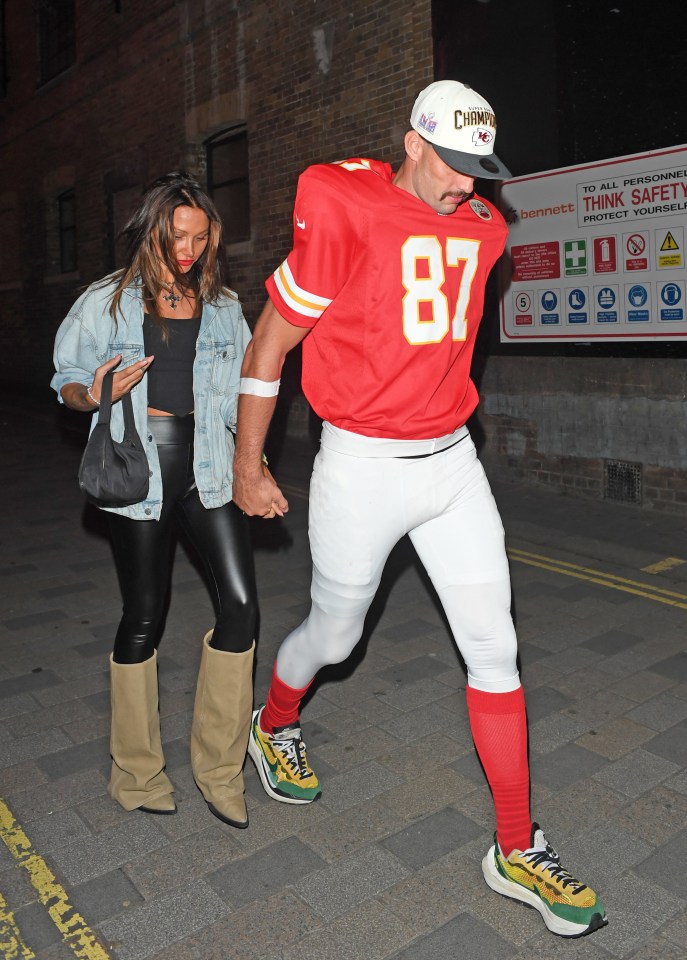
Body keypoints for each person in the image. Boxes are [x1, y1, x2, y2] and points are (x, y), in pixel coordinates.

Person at [232, 81, 608, 936]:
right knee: (336, 634)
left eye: (480, 170)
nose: (465, 186)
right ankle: (275, 720)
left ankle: (516, 847)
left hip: (451, 465)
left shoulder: (485, 230)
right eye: (450, 165)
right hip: (360, 466)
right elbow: (271, 339)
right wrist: (246, 463)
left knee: (494, 647)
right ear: (410, 142)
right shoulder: (339, 200)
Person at [52, 171, 261, 829]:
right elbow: (66, 383)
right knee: (144, 613)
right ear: (151, 232)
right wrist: (98, 390)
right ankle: (136, 773)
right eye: (177, 237)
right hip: (137, 466)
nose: (188, 250)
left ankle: (219, 770)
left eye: (200, 237)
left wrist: (252, 467)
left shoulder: (225, 306)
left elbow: (252, 387)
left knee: (243, 608)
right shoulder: (106, 302)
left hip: (208, 466)